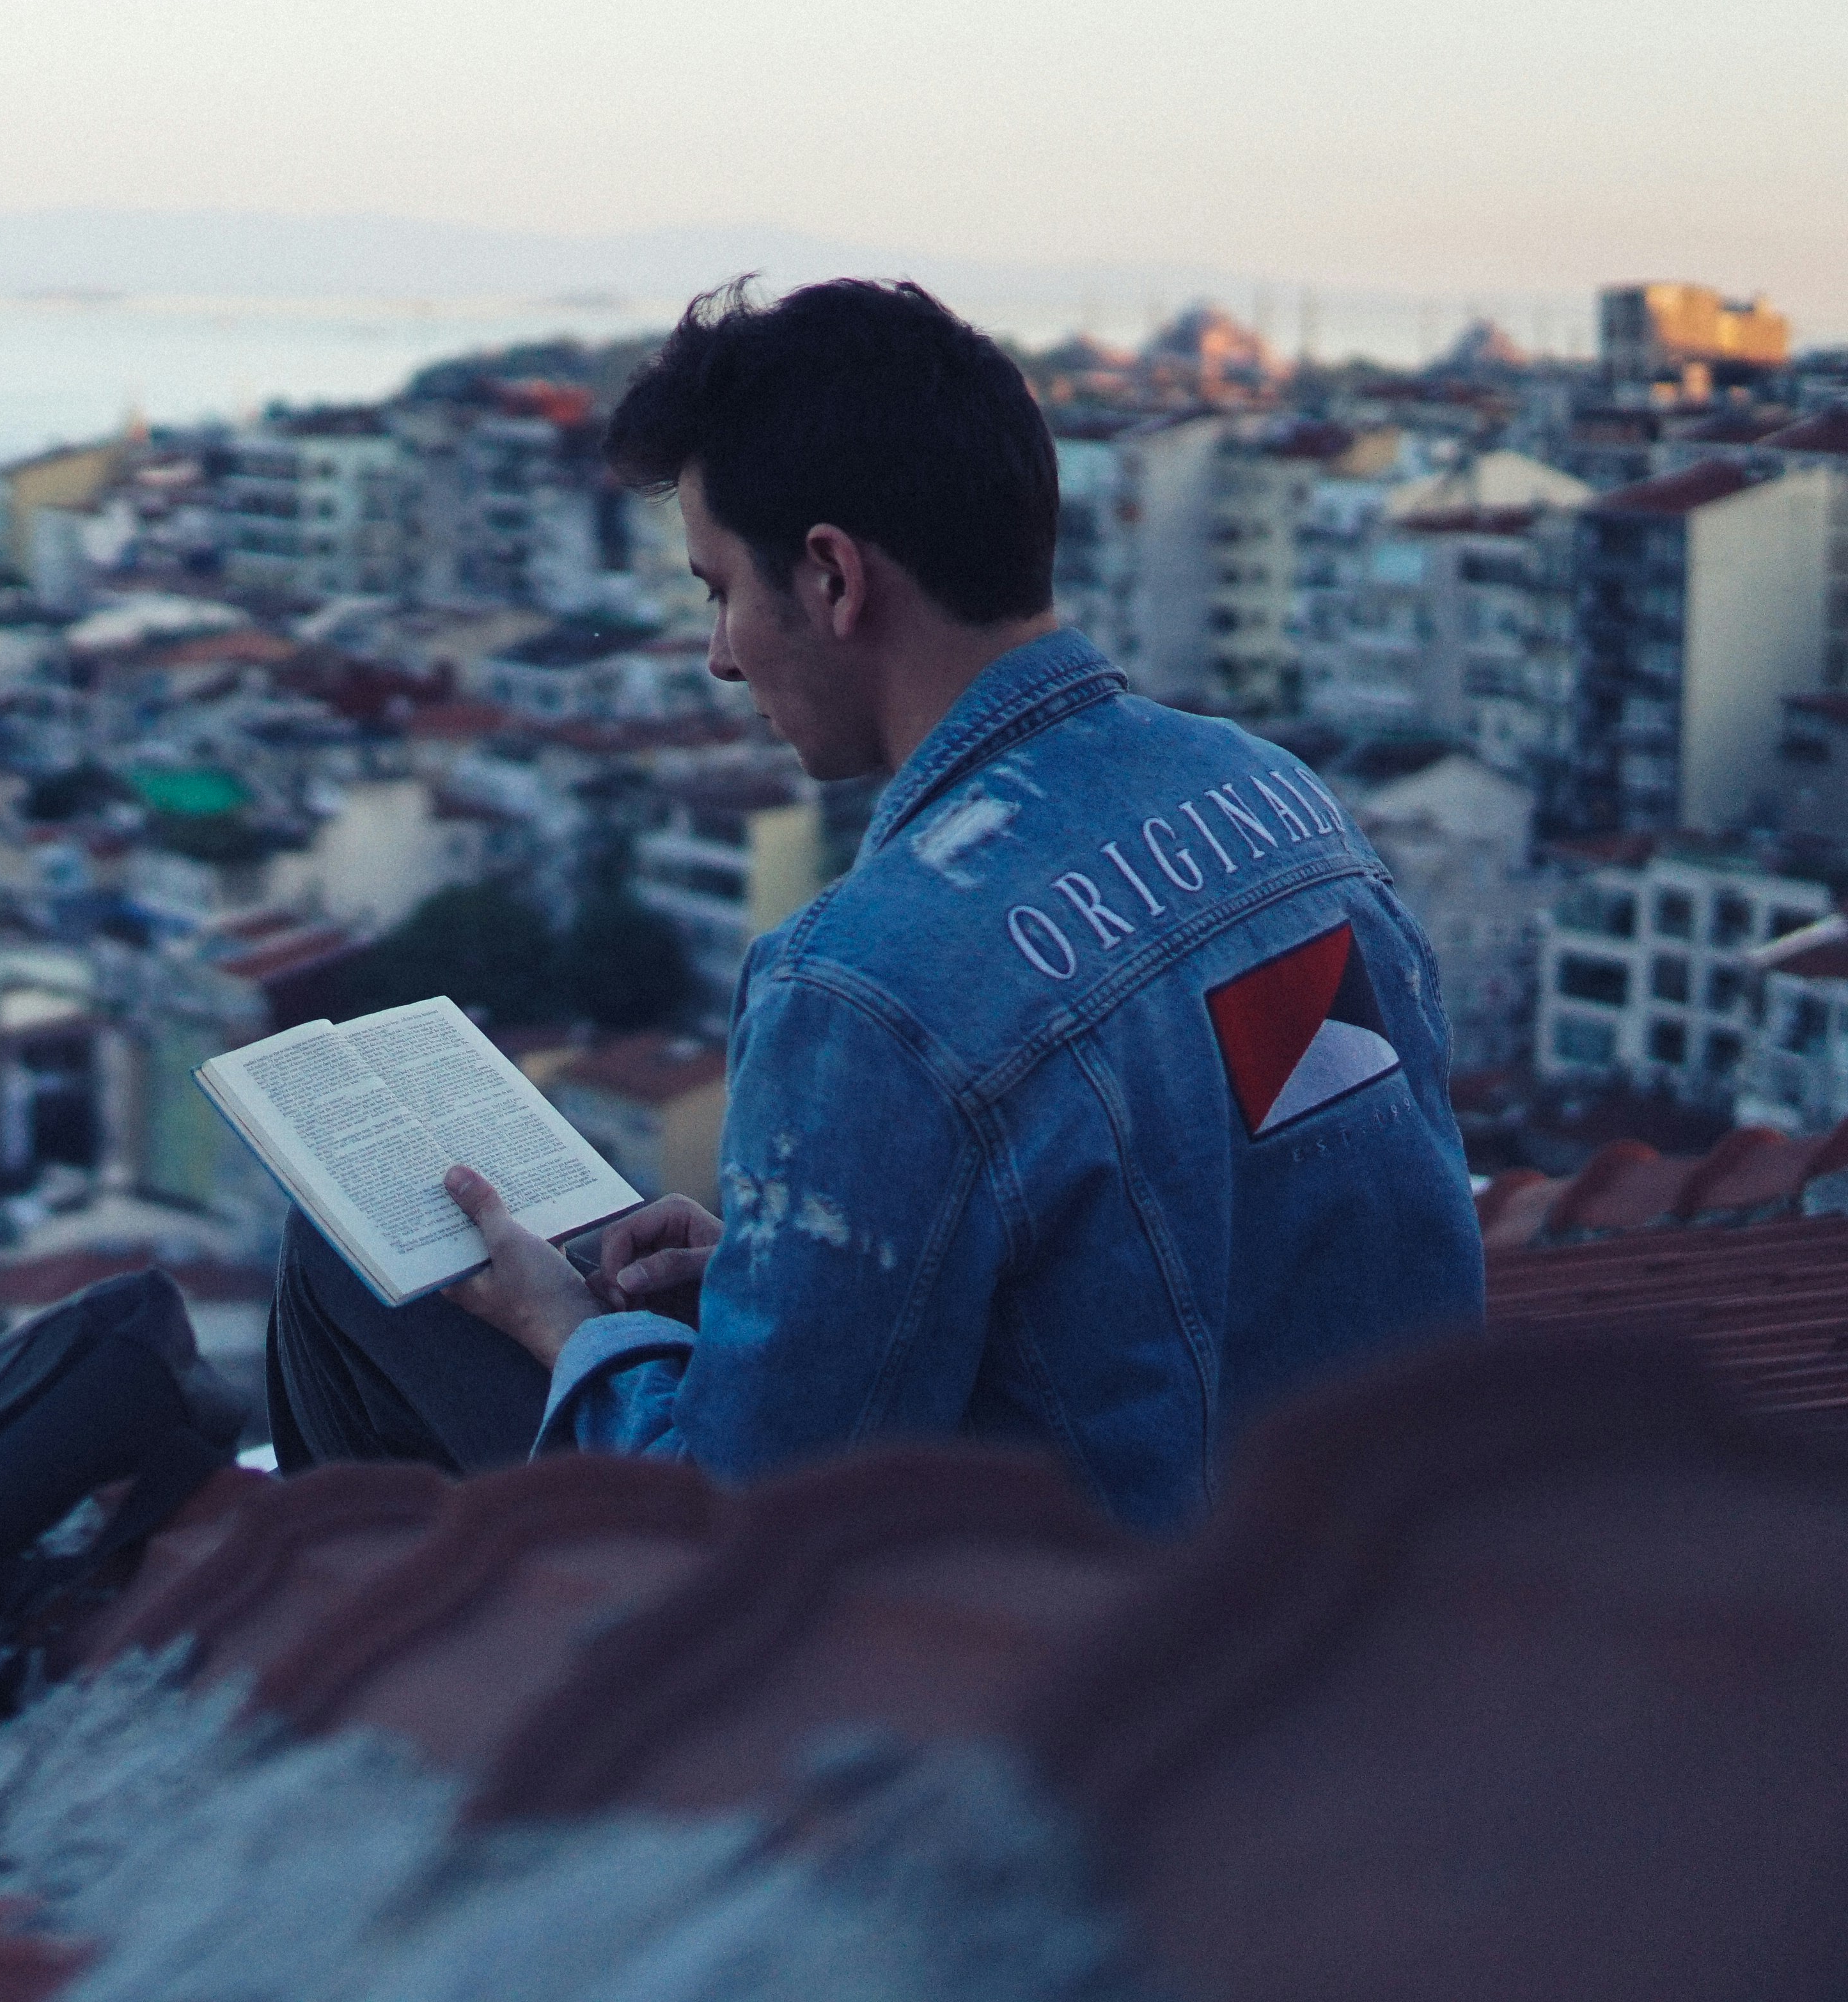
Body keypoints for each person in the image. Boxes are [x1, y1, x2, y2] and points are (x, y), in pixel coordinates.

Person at [263, 278, 1484, 1529]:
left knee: (356, 1265)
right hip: (1370, 1589)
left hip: (1072, 1661)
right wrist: (770, 1271)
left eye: (719, 588)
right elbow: (1202, 1228)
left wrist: (558, 1321)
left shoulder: (869, 983)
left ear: (834, 577)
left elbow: (738, 1531)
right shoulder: (1281, 807)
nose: (721, 652)